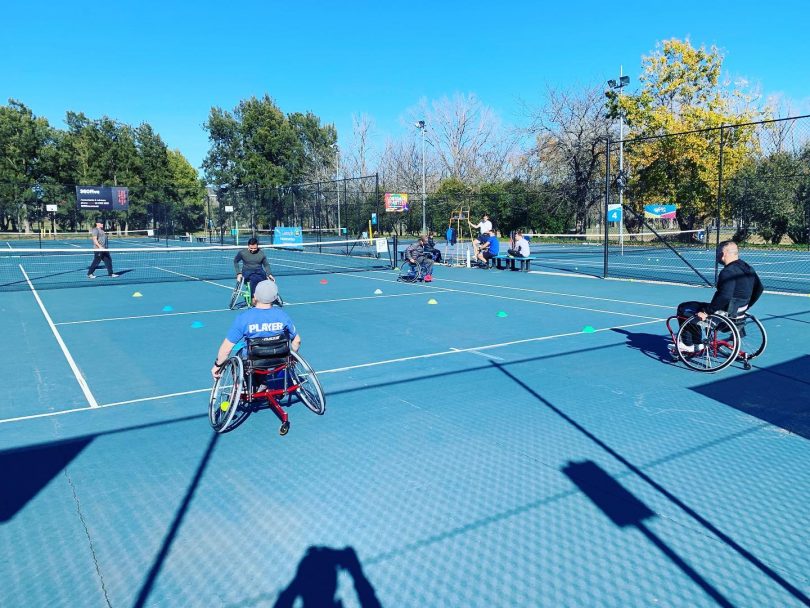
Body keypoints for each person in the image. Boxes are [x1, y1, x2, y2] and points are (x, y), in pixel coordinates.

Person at [675, 241, 764, 351]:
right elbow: (759, 289)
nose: (716, 255)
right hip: (737, 315)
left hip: (724, 316)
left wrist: (707, 312)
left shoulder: (727, 272)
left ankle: (690, 345)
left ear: (723, 253)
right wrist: (745, 307)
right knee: (702, 306)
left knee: (683, 308)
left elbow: (725, 296)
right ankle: (736, 334)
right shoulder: (747, 268)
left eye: (717, 252)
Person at [211, 280, 300, 381]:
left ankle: (244, 386)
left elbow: (226, 349)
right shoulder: (283, 316)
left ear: (255, 296)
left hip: (253, 361)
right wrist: (292, 358)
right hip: (279, 359)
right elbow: (297, 341)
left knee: (239, 358)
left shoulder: (244, 318)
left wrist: (217, 365)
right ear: (275, 298)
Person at [233, 237, 274, 304]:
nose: (253, 250)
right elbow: (235, 261)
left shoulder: (261, 253)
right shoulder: (242, 253)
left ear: (257, 246)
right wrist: (238, 273)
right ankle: (253, 297)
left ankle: (265, 297)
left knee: (266, 281)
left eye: (255, 248)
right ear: (248, 246)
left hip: (259, 272)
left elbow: (266, 265)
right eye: (251, 248)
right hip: (247, 272)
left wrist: (269, 274)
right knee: (254, 279)